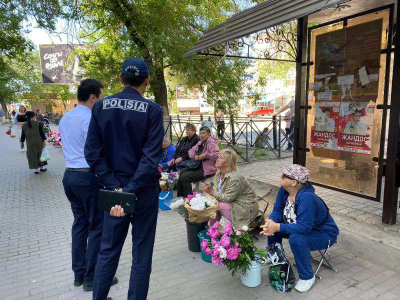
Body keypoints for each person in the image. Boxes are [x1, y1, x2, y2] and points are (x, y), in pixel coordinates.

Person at [84, 58, 164, 300]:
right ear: (147, 81)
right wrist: (128, 189)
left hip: (114, 191)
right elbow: (151, 159)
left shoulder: (100, 106)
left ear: (121, 79)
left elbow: (92, 152)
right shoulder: (152, 110)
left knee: (108, 251)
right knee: (142, 253)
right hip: (143, 191)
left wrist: (115, 187)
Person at [59, 79, 115, 292]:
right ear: (93, 97)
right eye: (101, 96)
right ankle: (93, 277)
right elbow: (98, 149)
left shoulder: (66, 117)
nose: (101, 100)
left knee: (80, 224)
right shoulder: (91, 117)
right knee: (97, 226)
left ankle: (79, 273)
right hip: (88, 176)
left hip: (70, 176)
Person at [260, 164, 339, 293]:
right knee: (273, 226)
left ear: (294, 182)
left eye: (284, 175)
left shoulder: (307, 198)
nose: (281, 176)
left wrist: (278, 226)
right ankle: (274, 255)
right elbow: (277, 210)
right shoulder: (284, 190)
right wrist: (271, 222)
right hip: (303, 227)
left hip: (324, 233)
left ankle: (307, 277)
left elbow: (304, 228)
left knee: (296, 239)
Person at [202, 149, 259, 228]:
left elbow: (227, 198)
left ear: (228, 163)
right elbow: (216, 190)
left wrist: (211, 192)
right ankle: (213, 230)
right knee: (212, 203)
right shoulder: (219, 173)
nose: (217, 159)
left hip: (244, 207)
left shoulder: (235, 178)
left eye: (221, 158)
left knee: (219, 205)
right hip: (232, 202)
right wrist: (210, 194)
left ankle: (231, 230)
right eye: (218, 157)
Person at [177, 126, 219, 198]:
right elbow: (190, 151)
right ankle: (181, 196)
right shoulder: (200, 143)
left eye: (204, 133)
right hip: (197, 165)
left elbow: (216, 155)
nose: (201, 135)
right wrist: (195, 155)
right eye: (200, 133)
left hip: (207, 170)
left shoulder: (212, 143)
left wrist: (205, 155)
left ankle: (189, 199)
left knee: (185, 177)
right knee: (182, 172)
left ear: (209, 134)